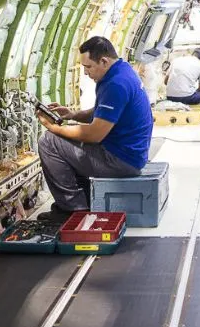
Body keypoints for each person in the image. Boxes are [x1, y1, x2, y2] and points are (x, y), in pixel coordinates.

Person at [36, 36, 153, 216]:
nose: (85, 73)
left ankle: (72, 209)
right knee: (68, 134)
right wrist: (73, 115)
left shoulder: (116, 84)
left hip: (120, 161)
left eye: (88, 67)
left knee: (49, 141)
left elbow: (93, 135)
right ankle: (86, 198)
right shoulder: (122, 70)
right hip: (130, 154)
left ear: (104, 61)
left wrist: (53, 128)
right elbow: (103, 113)